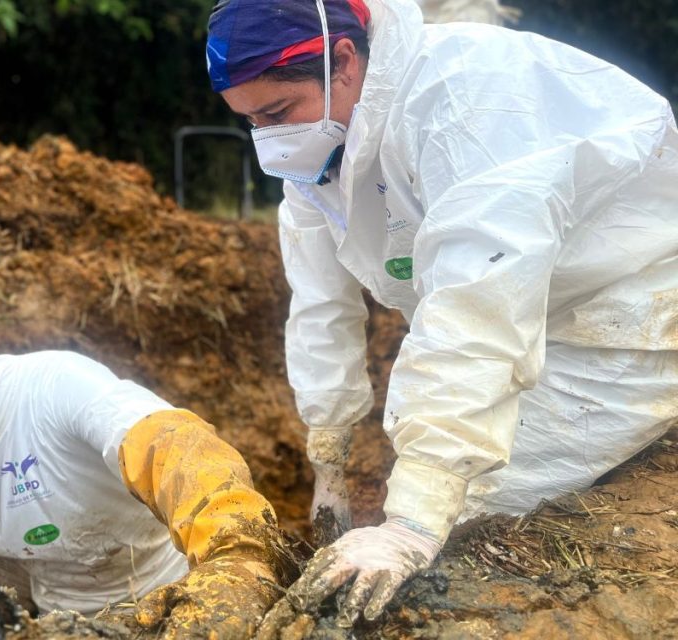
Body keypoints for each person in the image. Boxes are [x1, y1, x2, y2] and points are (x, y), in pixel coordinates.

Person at [206, 0, 678, 630]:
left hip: (625, 319)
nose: (269, 139)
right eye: (250, 122)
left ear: (343, 61)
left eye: (276, 113)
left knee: (468, 521)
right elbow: (320, 305)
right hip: (527, 309)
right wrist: (329, 455)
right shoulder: (325, 147)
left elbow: (476, 303)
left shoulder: (462, 102)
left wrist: (414, 518)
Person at [0, 351, 295, 639]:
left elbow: (174, 447)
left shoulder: (53, 391)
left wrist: (236, 556)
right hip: (31, 582)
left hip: (143, 584)